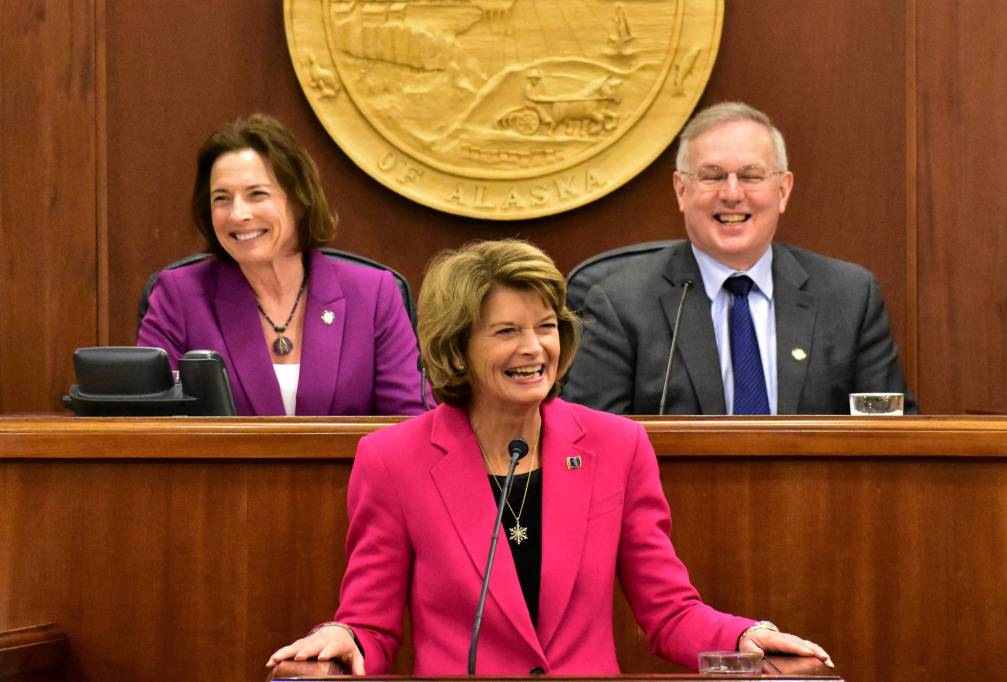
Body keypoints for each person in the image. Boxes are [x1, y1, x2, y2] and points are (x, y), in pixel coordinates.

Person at [266, 239, 832, 674]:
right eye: (507, 331)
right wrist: (346, 637)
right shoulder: (393, 459)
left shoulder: (617, 446)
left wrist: (742, 636)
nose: (534, 349)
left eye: (545, 327)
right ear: (456, 348)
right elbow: (373, 624)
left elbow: (669, 611)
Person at [563, 102, 916, 415]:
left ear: (783, 190)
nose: (732, 194)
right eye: (712, 176)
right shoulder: (620, 303)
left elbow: (892, 438)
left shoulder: (849, 297)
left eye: (751, 176)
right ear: (681, 190)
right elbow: (587, 446)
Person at [137, 113, 426, 416]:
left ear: (299, 200)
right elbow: (151, 427)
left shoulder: (373, 294)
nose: (237, 214)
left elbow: (409, 424)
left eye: (256, 194)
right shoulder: (178, 296)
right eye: (221, 198)